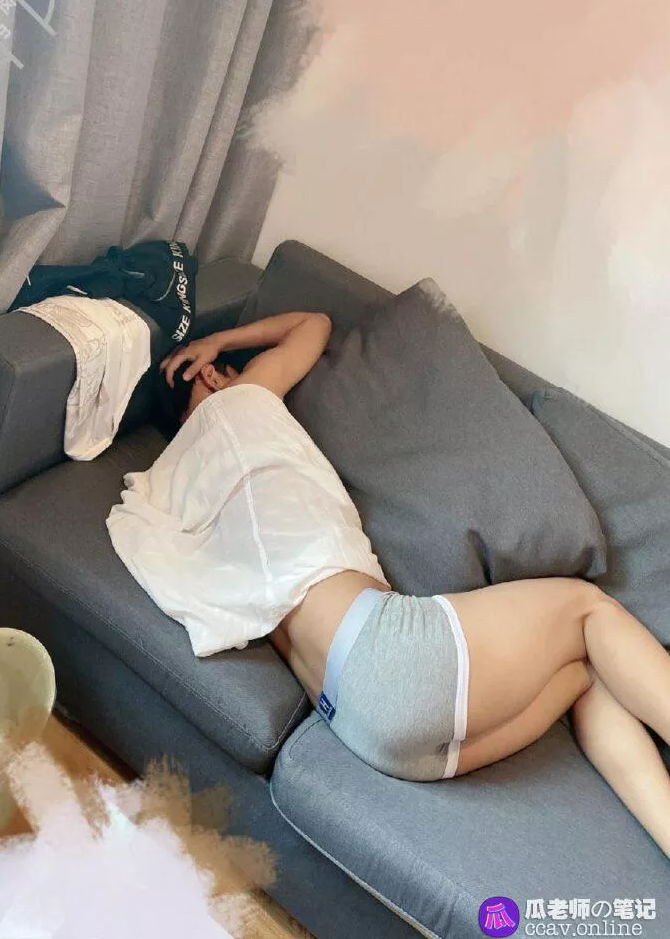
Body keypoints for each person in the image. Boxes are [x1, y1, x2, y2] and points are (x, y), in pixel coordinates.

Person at [152, 310, 670, 857]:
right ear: (211, 376)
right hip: (385, 658)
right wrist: (219, 341)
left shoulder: (177, 484)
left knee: (589, 671)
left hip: (367, 733)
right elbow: (314, 325)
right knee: (589, 608)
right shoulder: (239, 404)